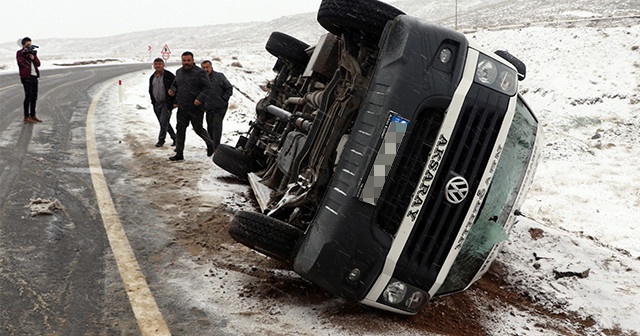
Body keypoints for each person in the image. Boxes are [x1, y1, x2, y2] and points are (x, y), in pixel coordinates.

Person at [167, 51, 214, 161]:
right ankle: (179, 153)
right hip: (182, 107)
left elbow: (207, 87)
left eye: (188, 60)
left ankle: (210, 143)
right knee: (180, 130)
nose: (186, 62)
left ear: (193, 60)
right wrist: (172, 90)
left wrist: (199, 98)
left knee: (198, 129)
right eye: (184, 60)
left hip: (196, 108)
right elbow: (175, 84)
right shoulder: (178, 72)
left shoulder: (200, 72)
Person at [201, 60, 233, 151]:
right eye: (203, 68)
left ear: (211, 67)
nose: (206, 69)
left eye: (207, 67)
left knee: (217, 125)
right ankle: (211, 144)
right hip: (208, 107)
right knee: (209, 126)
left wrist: (224, 98)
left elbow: (229, 88)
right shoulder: (201, 79)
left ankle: (216, 146)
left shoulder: (219, 76)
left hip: (220, 106)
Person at [148, 58, 177, 147]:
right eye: (156, 64)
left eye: (159, 64)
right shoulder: (152, 77)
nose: (158, 66)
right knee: (163, 122)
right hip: (157, 104)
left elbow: (177, 87)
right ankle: (175, 138)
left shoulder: (169, 75)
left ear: (163, 65)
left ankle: (161, 140)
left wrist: (175, 101)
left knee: (164, 121)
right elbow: (150, 90)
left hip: (167, 103)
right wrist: (153, 101)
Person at [16, 37, 42, 124]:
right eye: (27, 45)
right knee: (28, 96)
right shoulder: (20, 53)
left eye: (30, 45)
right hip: (26, 77)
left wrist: (33, 57)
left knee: (34, 96)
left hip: (34, 76)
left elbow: (38, 64)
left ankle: (33, 116)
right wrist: (26, 55)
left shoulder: (32, 53)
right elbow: (20, 64)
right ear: (23, 45)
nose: (29, 46)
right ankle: (26, 117)